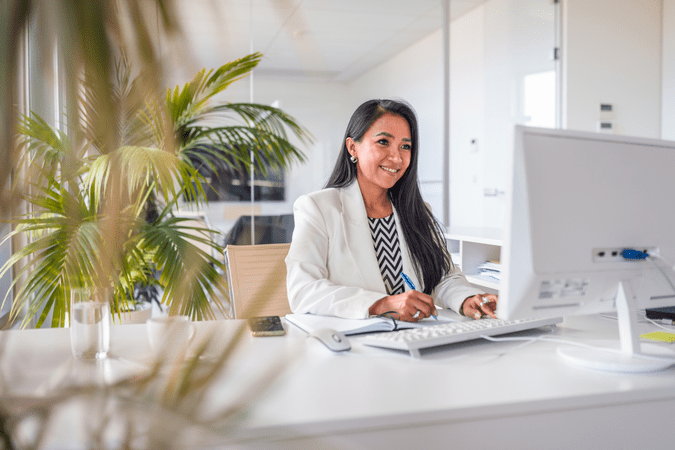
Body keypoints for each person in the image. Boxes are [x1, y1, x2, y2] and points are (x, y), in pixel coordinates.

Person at [285, 99, 498, 322]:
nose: (396, 158)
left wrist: (466, 299)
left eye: (405, 146)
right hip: (354, 345)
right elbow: (303, 290)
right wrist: (380, 304)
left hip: (416, 340)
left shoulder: (416, 210)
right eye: (383, 142)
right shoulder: (317, 208)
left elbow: (442, 276)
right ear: (352, 147)